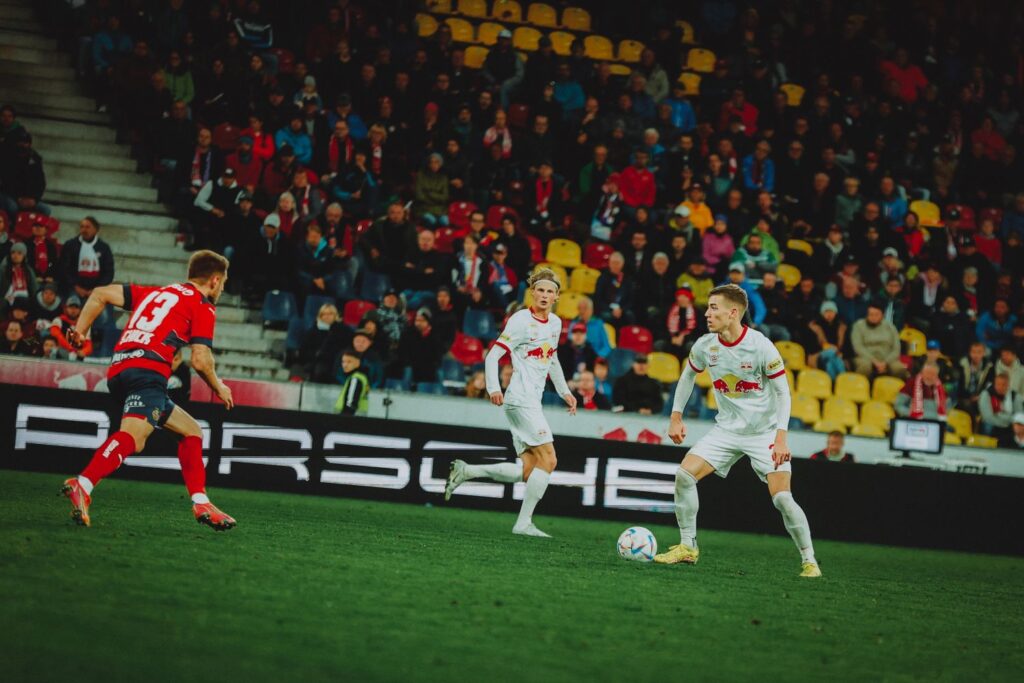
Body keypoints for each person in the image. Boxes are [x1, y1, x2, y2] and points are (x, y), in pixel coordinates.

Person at [60, 251, 236, 530]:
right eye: (224, 282)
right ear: (214, 280)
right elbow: (200, 360)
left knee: (191, 431)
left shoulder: (158, 293)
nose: (223, 288)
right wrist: (219, 386)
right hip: (149, 371)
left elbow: (100, 293)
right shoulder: (203, 305)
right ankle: (83, 484)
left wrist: (80, 331)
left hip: (119, 369)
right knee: (135, 437)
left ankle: (201, 501)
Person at [655, 283, 820, 578]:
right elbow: (687, 376)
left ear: (733, 313)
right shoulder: (706, 345)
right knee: (684, 476)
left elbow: (784, 393)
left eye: (713, 308)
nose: (707, 313)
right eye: (708, 308)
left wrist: (781, 438)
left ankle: (809, 560)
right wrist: (675, 417)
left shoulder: (761, 346)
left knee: (782, 498)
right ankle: (687, 547)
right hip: (726, 431)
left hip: (765, 433)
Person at [445, 269, 577, 538]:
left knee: (530, 470)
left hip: (531, 402)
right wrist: (494, 388)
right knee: (549, 460)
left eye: (549, 291)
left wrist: (564, 391)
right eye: (540, 290)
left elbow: (551, 359)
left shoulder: (555, 323)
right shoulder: (519, 321)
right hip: (519, 399)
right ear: (533, 292)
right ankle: (523, 524)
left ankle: (467, 471)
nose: (544, 295)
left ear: (556, 297)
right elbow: (493, 356)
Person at [850, 303, 907, 379]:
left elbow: (896, 349)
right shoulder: (858, 326)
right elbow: (858, 347)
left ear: (882, 315)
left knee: (899, 369)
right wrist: (874, 361)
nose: (873, 317)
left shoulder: (890, 327)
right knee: (865, 367)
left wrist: (885, 362)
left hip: (887, 358)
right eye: (871, 314)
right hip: (865, 358)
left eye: (876, 314)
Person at [334, 348, 370, 416]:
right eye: (343, 361)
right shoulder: (361, 377)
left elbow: (351, 404)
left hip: (349, 419)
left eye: (349, 362)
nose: (345, 365)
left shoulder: (355, 379)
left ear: (358, 363)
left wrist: (343, 420)